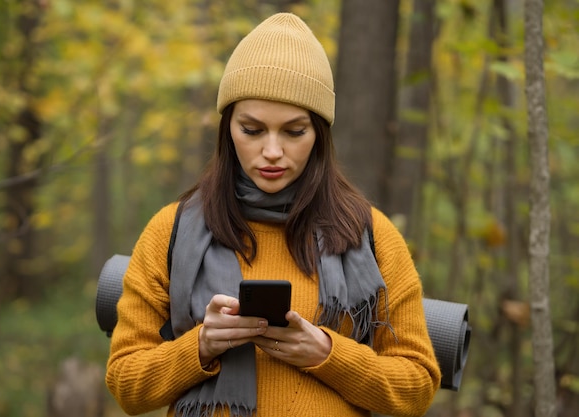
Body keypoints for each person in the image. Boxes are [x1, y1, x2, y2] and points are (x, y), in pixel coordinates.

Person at [105, 12, 441, 417]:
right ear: (228, 129)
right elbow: (126, 384)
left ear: (319, 135)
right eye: (252, 129)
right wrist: (201, 344)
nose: (272, 151)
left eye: (294, 132)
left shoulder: (368, 233)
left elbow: (418, 386)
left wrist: (328, 354)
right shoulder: (171, 230)